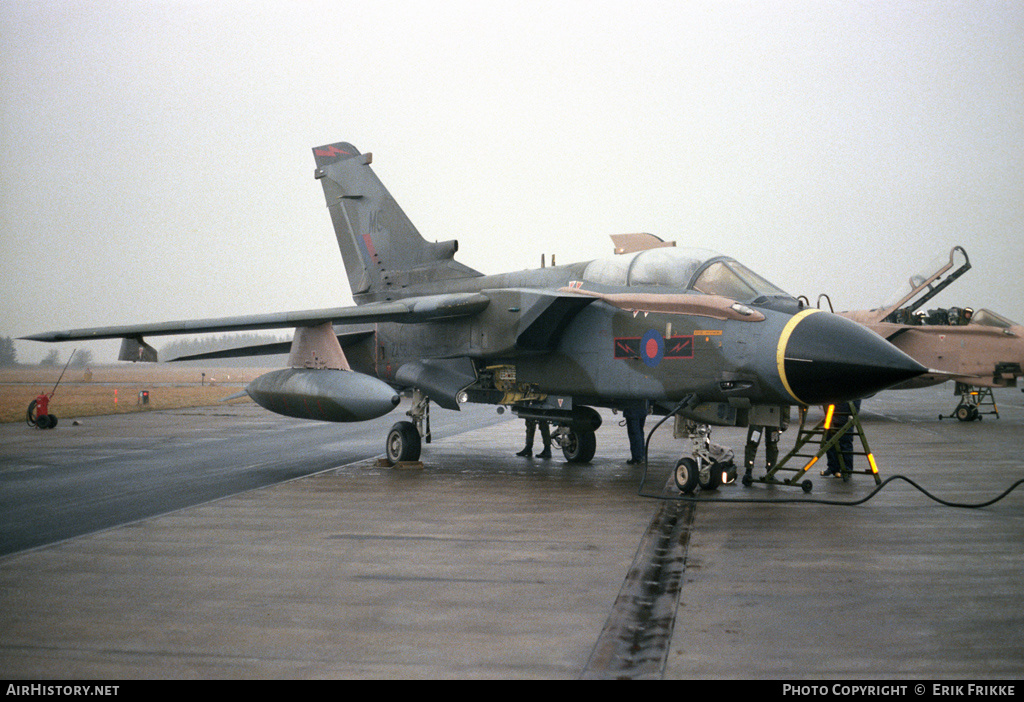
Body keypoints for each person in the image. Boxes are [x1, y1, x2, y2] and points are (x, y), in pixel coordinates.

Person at [821, 399, 861, 477]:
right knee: (830, 443)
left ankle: (847, 469)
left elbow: (856, 400)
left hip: (845, 417)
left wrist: (853, 414)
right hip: (833, 415)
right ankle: (833, 468)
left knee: (845, 444)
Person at [623, 399, 648, 464]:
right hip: (643, 409)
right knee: (640, 433)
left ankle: (637, 458)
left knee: (634, 434)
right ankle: (641, 455)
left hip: (632, 410)